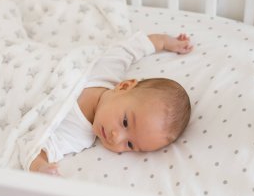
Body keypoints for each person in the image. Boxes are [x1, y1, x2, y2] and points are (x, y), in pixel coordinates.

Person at [28, 31, 193, 175]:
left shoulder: (78, 135)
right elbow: (131, 48)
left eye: (129, 144)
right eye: (125, 122)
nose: (116, 137)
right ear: (124, 86)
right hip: (33, 59)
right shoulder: (107, 71)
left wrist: (42, 168)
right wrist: (164, 41)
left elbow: (37, 149)